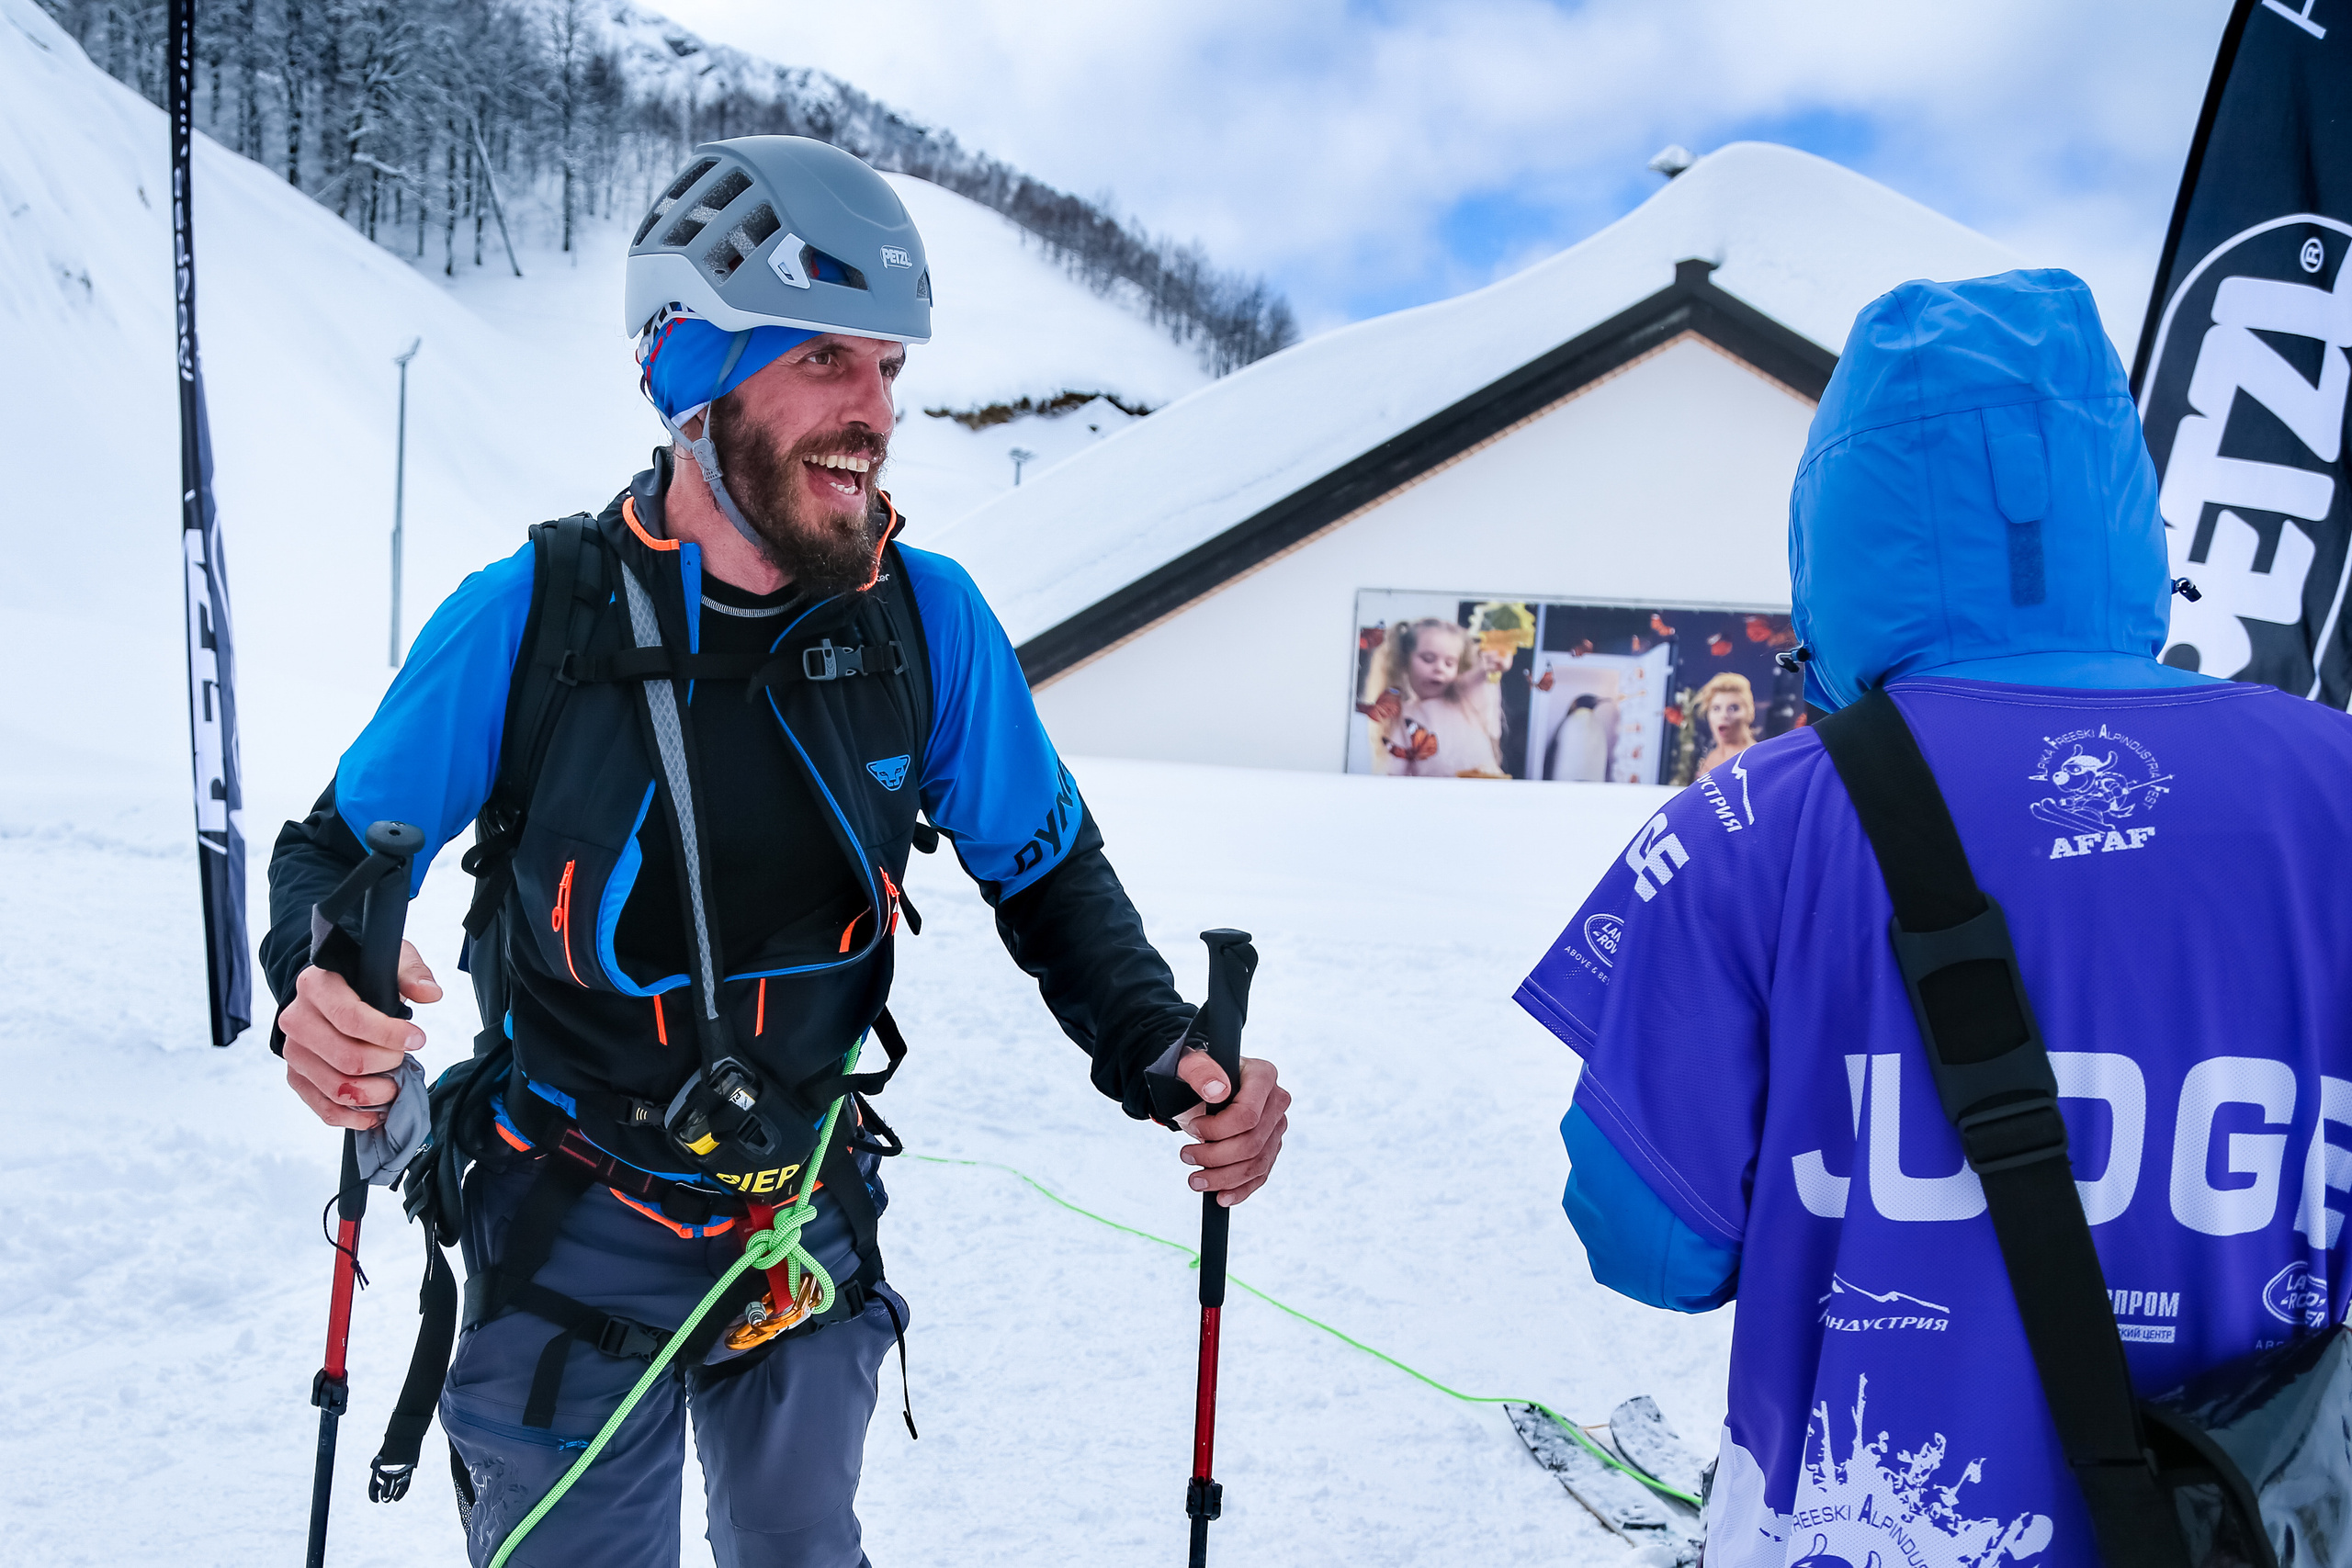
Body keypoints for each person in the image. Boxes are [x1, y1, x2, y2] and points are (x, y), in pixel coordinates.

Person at [262, 137, 1289, 1568]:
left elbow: (1047, 869)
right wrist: (323, 977)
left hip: (800, 1213)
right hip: (568, 1216)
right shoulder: (533, 617)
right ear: (693, 374)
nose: (873, 412)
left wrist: (1157, 1040)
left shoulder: (927, 622)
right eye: (826, 363)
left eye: (887, 368)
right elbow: (332, 856)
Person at [1513, 270, 2352, 1566]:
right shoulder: (2338, 785)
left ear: (1838, 531)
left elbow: (1648, 1239)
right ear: (2120, 505)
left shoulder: (1756, 822)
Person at [1361, 616, 1505, 777]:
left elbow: (1483, 670)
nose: (1439, 668)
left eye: (1449, 663)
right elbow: (1395, 772)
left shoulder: (1465, 698)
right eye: (1428, 659)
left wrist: (1497, 659)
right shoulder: (1402, 715)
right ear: (1404, 661)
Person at [1690, 671, 1756, 776]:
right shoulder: (1708, 756)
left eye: (1733, 708)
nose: (1724, 715)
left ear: (1750, 712)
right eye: (1716, 708)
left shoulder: (1754, 758)